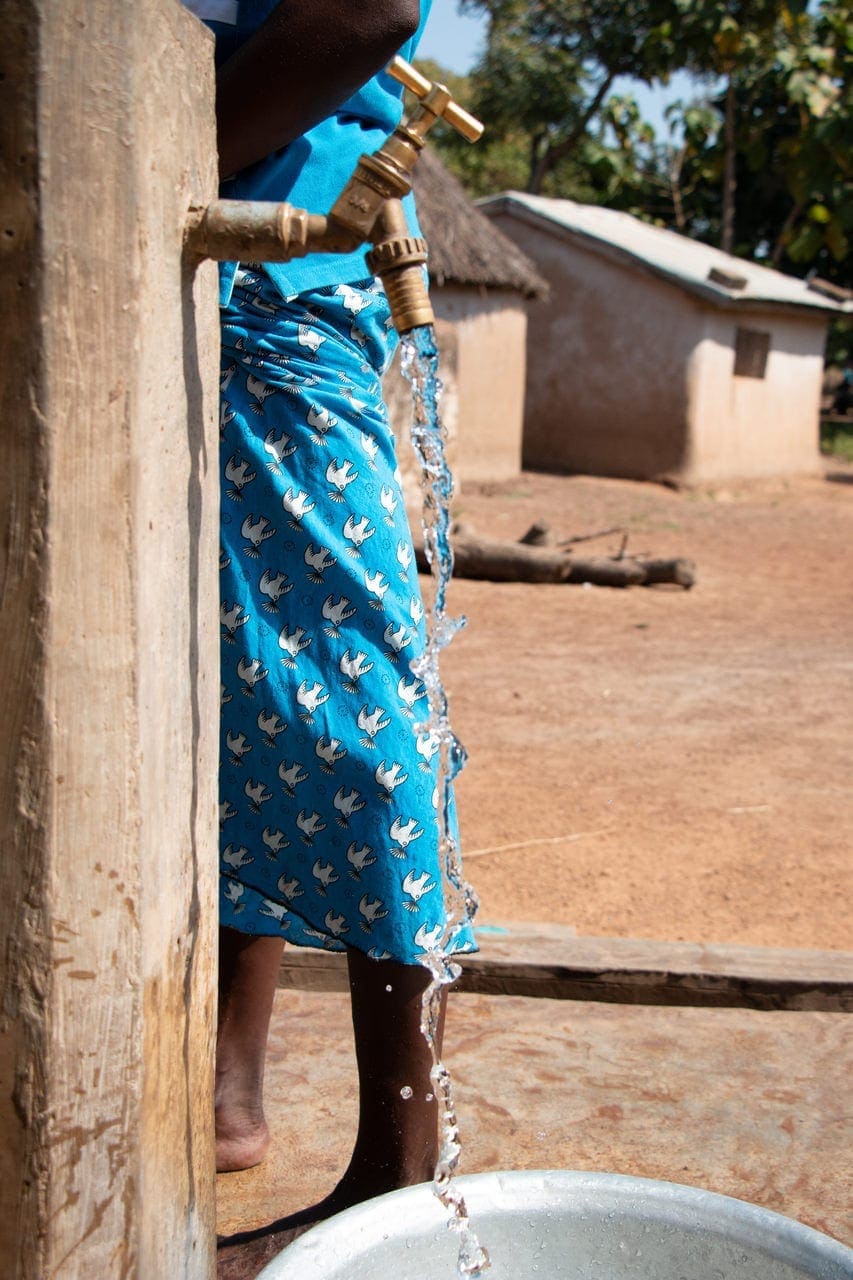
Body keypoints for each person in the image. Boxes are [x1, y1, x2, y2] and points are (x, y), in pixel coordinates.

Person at [182, 0, 475, 1246]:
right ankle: (225, 1085)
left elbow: (369, 4)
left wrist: (143, 160)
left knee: (351, 706)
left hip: (263, 260)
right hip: (238, 259)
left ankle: (401, 1171)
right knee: (236, 692)